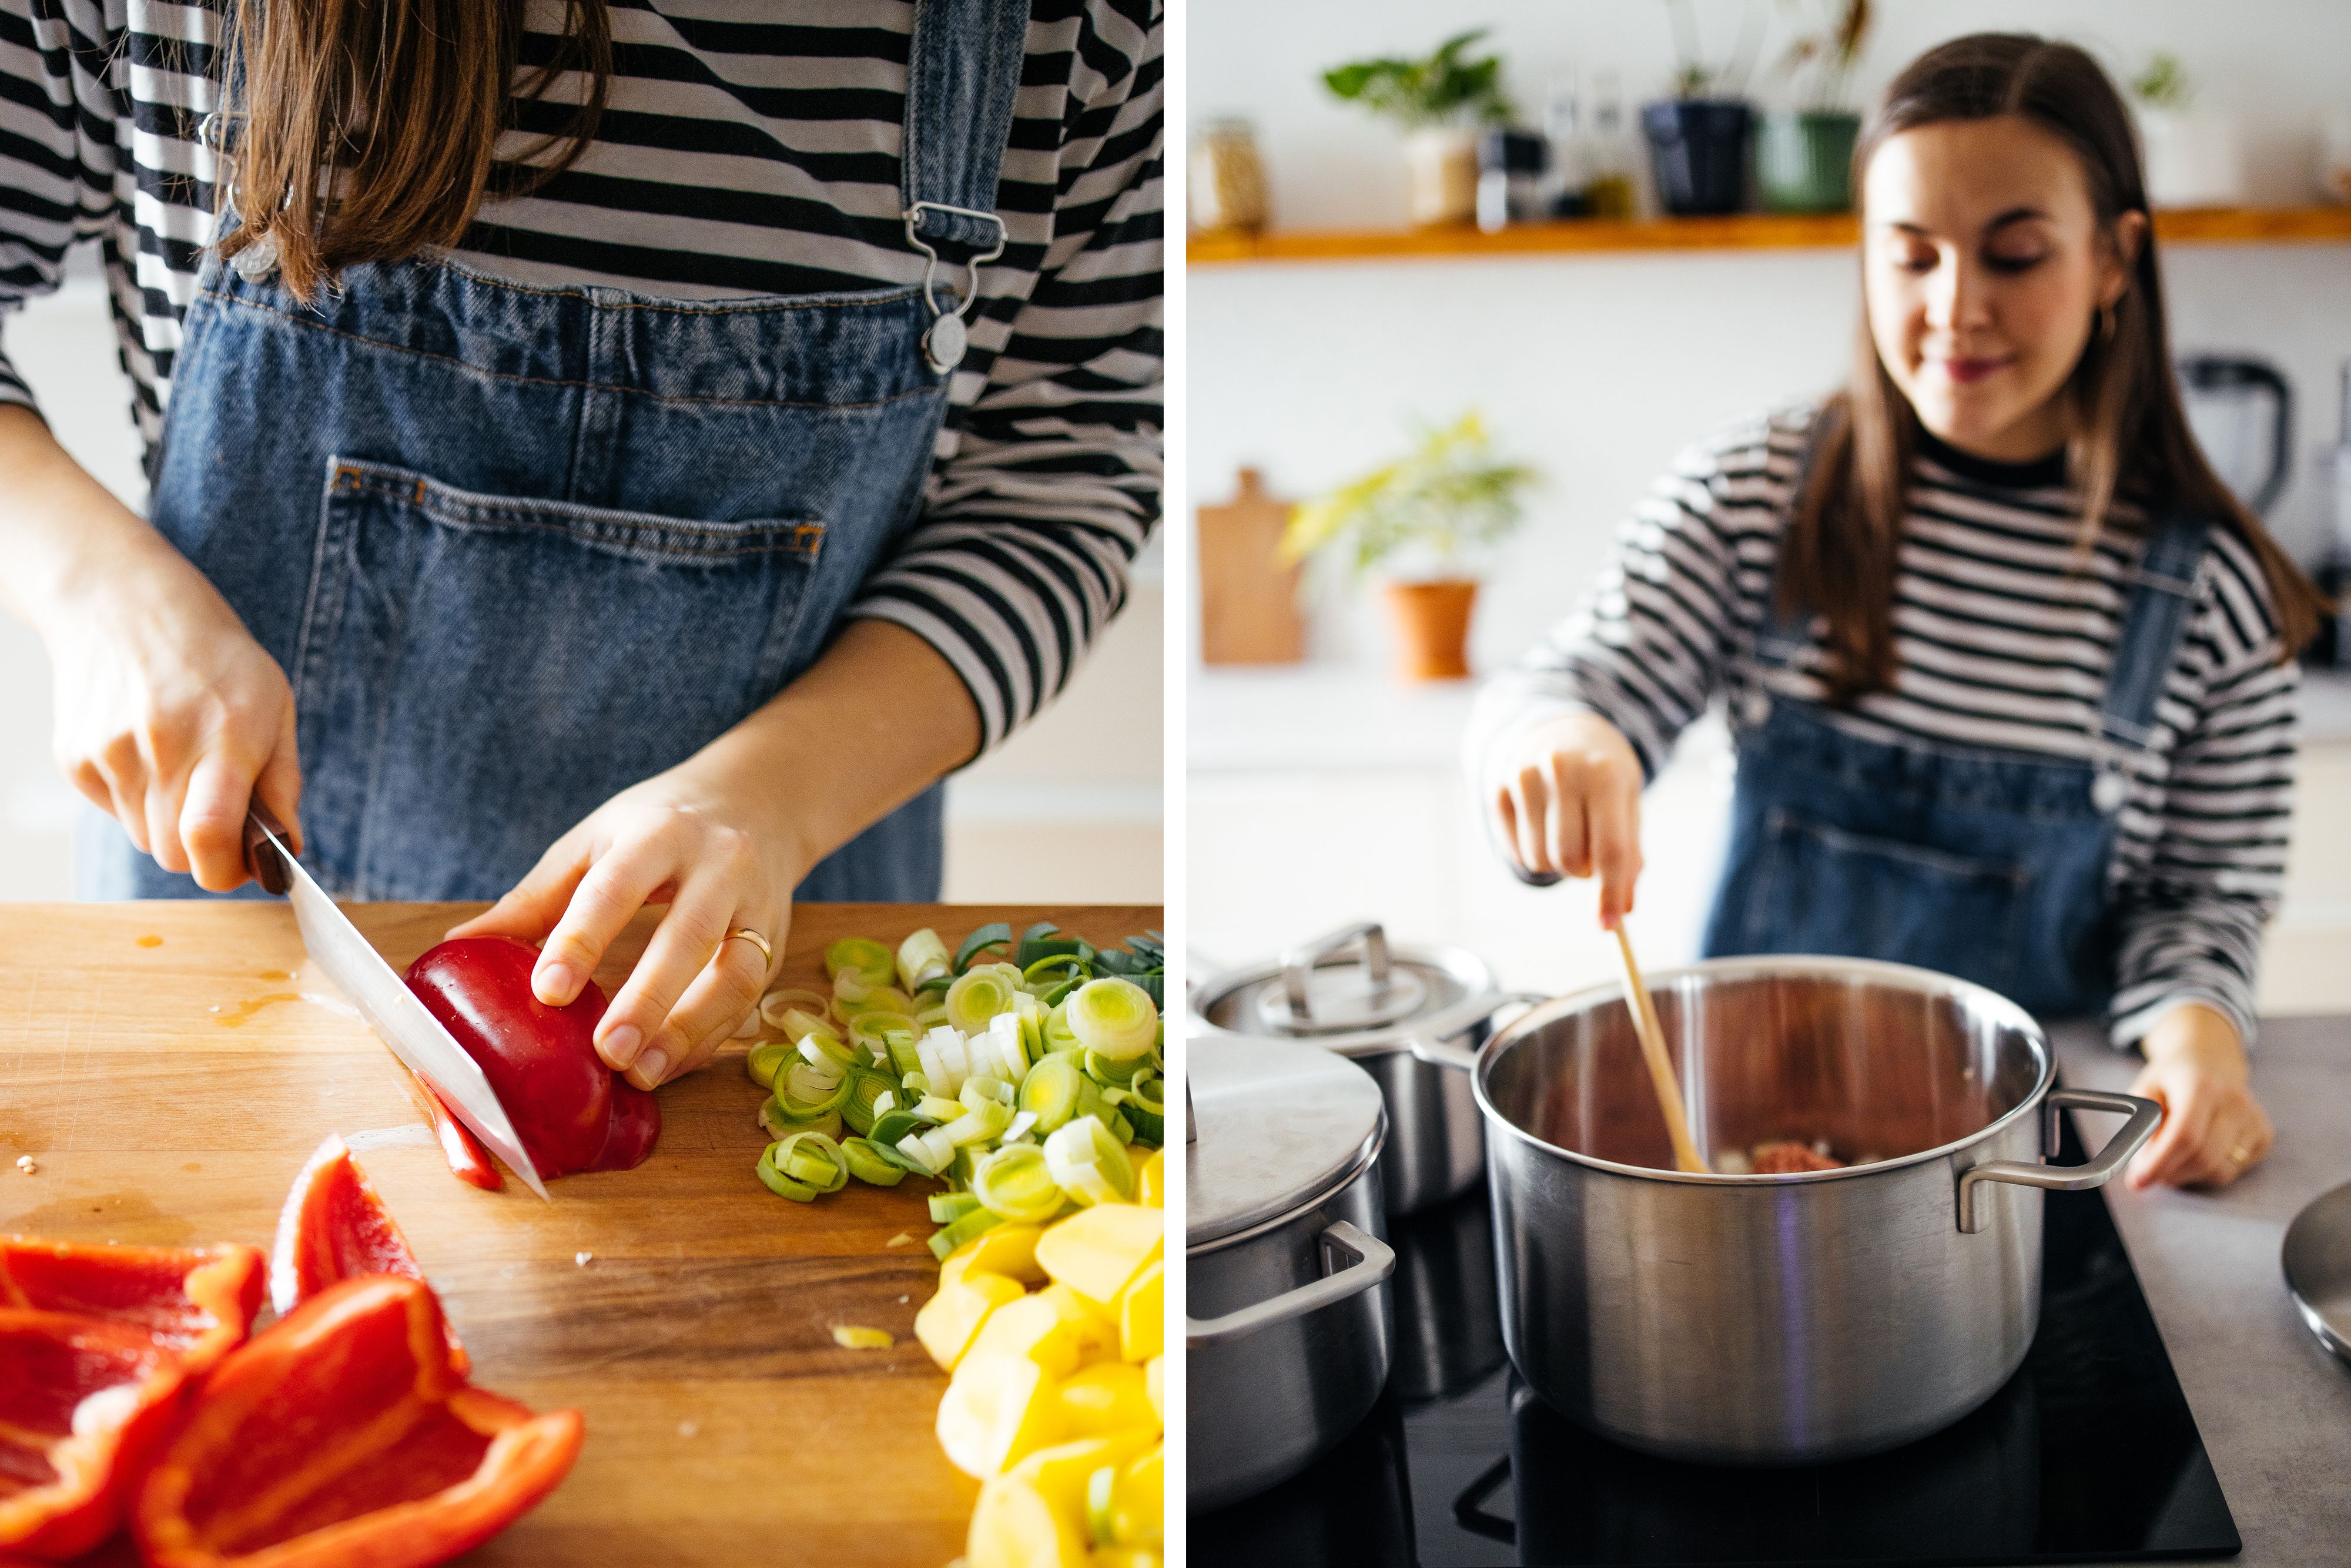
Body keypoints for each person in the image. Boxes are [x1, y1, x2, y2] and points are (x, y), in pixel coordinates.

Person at [0, 1, 1161, 1095]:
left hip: (759, 970)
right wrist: (103, 596)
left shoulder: (1081, 24)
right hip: (222, 930)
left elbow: (1066, 479)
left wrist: (775, 797)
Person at [1467, 34, 2317, 1192]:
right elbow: (1573, 683)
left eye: (2013, 255)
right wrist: (1555, 743)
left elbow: (2198, 904)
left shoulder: (2213, 594)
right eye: (1910, 255)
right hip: (1740, 1167)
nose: (1954, 307)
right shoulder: (1758, 495)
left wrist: (2197, 1052)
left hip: (2021, 1178)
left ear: (2115, 259)